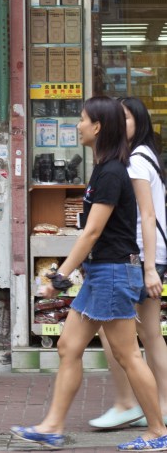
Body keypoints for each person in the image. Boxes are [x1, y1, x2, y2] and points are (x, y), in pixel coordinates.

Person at [11, 95, 167, 451]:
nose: (77, 125)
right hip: (103, 274)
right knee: (68, 346)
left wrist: (59, 276)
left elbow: (92, 232)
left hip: (113, 275)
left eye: (81, 120)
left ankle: (158, 431)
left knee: (127, 354)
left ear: (97, 127)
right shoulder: (105, 167)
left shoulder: (113, 171)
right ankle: (52, 426)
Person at [89, 97, 167, 430]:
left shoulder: (134, 161)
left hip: (137, 258)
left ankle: (127, 403)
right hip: (151, 255)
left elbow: (147, 215)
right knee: (150, 335)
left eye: (125, 118)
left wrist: (148, 267)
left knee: (113, 334)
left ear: (138, 122)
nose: (119, 124)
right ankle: (160, 404)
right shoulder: (148, 155)